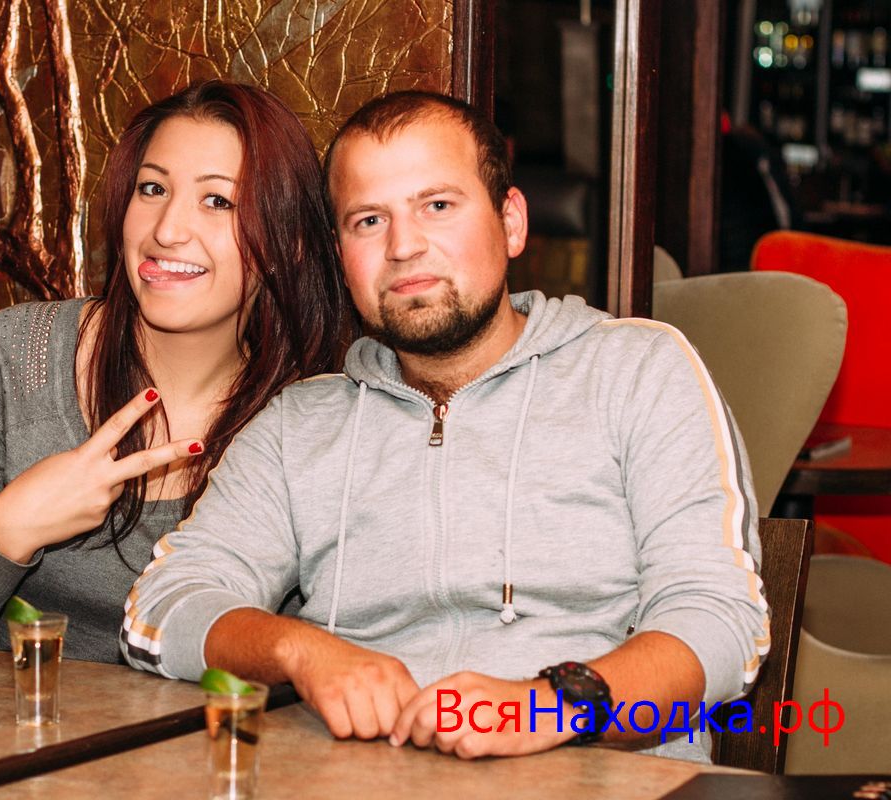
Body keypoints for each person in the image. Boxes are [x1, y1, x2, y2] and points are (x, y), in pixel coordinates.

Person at [122, 91, 769, 763]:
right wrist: (298, 650)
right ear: (340, 254)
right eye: (369, 220)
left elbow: (723, 623)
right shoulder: (299, 424)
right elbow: (159, 609)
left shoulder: (637, 371)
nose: (404, 246)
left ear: (510, 222)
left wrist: (548, 705)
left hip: (600, 773)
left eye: (437, 206)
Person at [0, 80, 352, 662]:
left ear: (288, 243)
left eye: (217, 201)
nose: (167, 230)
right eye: (153, 189)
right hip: (8, 715)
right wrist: (12, 528)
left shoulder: (313, 422)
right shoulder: (17, 353)